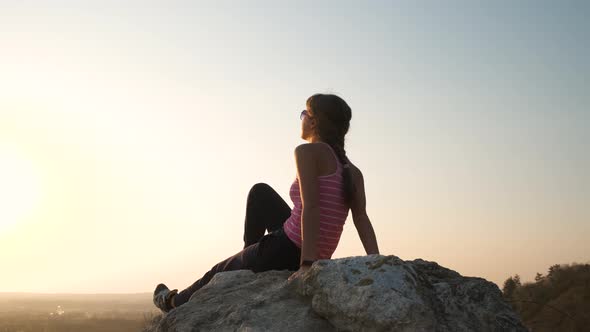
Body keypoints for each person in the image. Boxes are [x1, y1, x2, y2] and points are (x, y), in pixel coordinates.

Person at [153, 93, 380, 312]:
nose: (301, 118)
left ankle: (173, 303)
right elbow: (361, 218)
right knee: (260, 192)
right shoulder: (353, 172)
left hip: (290, 248)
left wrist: (307, 265)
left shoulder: (307, 152)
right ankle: (249, 254)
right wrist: (377, 263)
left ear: (313, 121)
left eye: (304, 113)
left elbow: (312, 207)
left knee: (220, 270)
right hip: (307, 247)